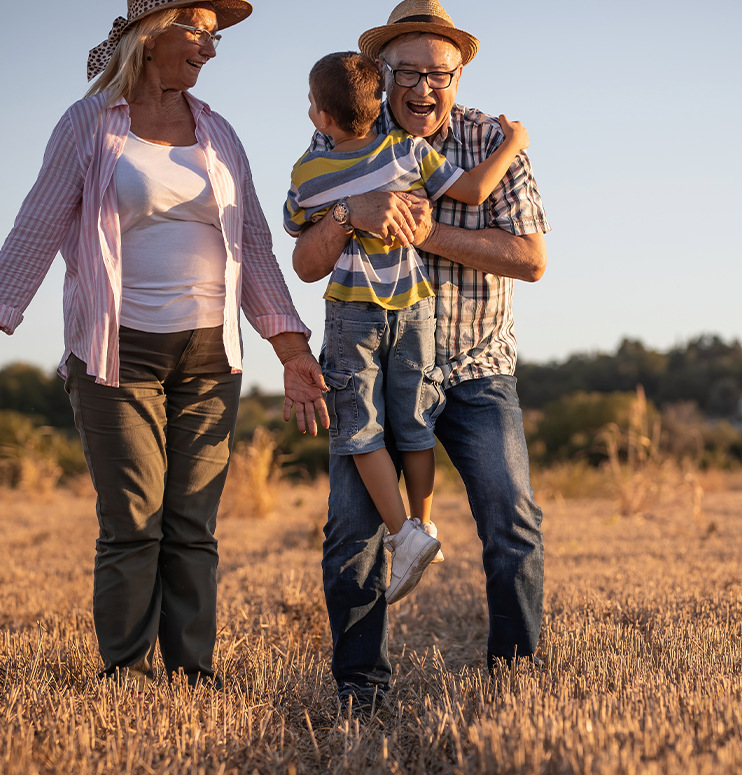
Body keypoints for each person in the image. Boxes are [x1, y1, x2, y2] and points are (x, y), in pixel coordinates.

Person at [0, 0, 328, 686]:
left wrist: (292, 349)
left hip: (211, 352)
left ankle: (192, 672)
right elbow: (36, 226)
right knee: (133, 517)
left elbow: (253, 246)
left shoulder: (218, 133)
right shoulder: (90, 125)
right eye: (200, 34)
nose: (211, 51)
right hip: (115, 350)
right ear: (153, 33)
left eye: (216, 39)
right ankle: (126, 672)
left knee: (192, 521)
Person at [291, 0, 549, 710]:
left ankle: (515, 678)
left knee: (512, 516)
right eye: (408, 71)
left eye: (441, 72)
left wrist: (420, 229)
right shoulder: (337, 146)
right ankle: (359, 686)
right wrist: (349, 214)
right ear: (381, 73)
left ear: (458, 76)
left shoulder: (491, 141)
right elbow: (304, 258)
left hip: (474, 365)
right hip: (371, 366)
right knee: (350, 529)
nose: (425, 87)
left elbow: (530, 259)